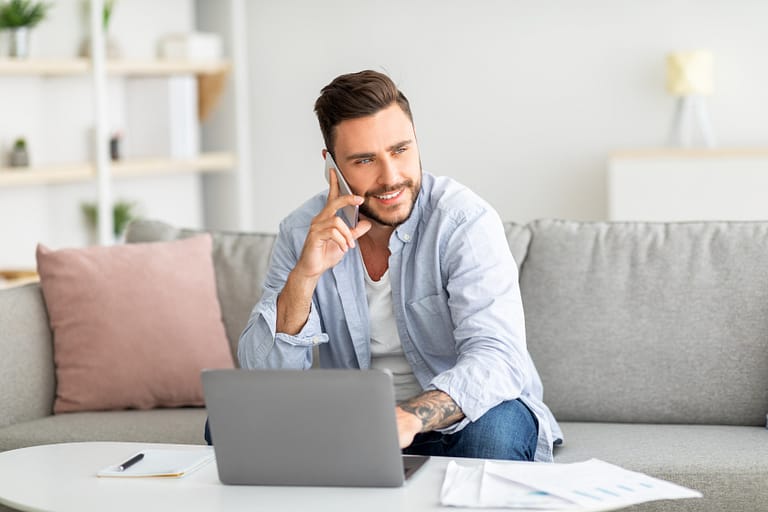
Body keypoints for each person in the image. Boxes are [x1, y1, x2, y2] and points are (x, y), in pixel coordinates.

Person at [238, 70, 561, 462]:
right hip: (358, 419)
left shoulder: (463, 221)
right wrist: (304, 278)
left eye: (400, 150)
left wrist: (410, 416)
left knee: (491, 439)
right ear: (332, 167)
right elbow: (266, 383)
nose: (390, 177)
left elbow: (497, 358)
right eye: (365, 160)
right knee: (230, 428)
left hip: (469, 414)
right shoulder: (302, 232)